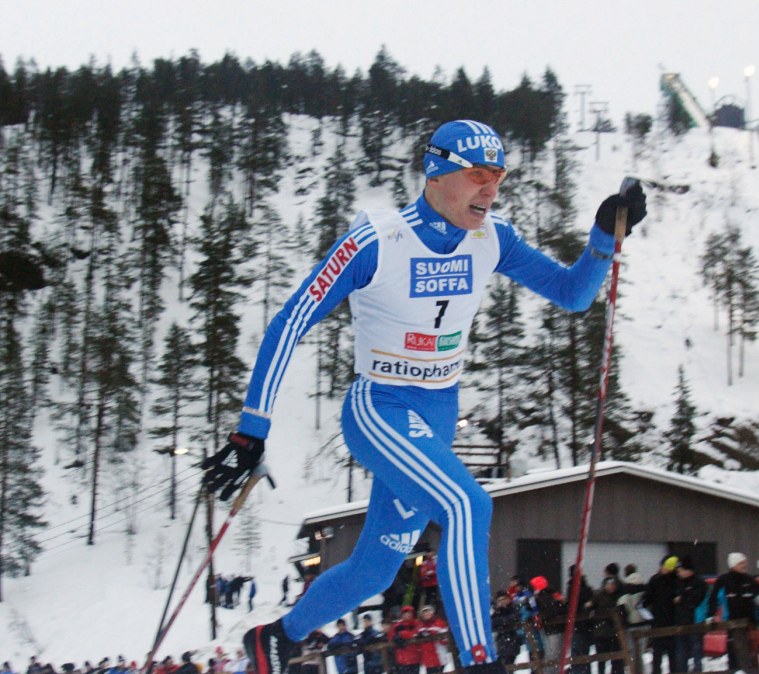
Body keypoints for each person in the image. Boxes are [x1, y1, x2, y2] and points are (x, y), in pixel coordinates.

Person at [202, 119, 648, 674]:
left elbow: (573, 294)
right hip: (380, 409)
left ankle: (277, 638)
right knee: (466, 505)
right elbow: (291, 322)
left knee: (375, 569)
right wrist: (251, 430)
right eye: (478, 175)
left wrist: (606, 235)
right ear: (436, 174)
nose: (491, 190)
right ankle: (479, 660)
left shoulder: (492, 237)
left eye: (499, 177)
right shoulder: (377, 240)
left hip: (435, 415)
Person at [708, 552, 759, 674]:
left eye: (745, 563)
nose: (744, 565)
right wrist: (711, 615)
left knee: (750, 652)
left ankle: (748, 671)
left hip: (749, 622)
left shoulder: (750, 580)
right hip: (732, 622)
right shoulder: (724, 580)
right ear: (733, 565)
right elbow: (713, 599)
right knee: (736, 651)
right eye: (741, 563)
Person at [644, 556, 681, 674]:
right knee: (658, 654)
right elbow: (647, 599)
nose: (662, 568)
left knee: (672, 653)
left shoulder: (676, 580)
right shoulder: (656, 580)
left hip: (672, 621)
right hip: (659, 621)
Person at [672, 559, 708, 673]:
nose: (679, 573)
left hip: (695, 621)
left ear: (689, 570)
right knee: (681, 653)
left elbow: (695, 600)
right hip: (681, 623)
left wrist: (682, 599)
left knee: (696, 651)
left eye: (681, 570)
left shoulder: (699, 583)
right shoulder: (678, 583)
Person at [491, 592, 524, 666]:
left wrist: (503, 622)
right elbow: (492, 623)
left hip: (514, 640)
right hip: (501, 643)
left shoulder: (513, 608)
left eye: (503, 599)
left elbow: (515, 618)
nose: (502, 601)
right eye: (499, 600)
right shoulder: (497, 612)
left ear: (508, 599)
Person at [389, 605, 424, 674]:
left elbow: (418, 634)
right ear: (402, 615)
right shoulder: (397, 625)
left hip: (415, 658)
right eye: (405, 613)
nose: (408, 615)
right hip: (402, 660)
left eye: (409, 613)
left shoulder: (417, 623)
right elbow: (391, 637)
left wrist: (403, 634)